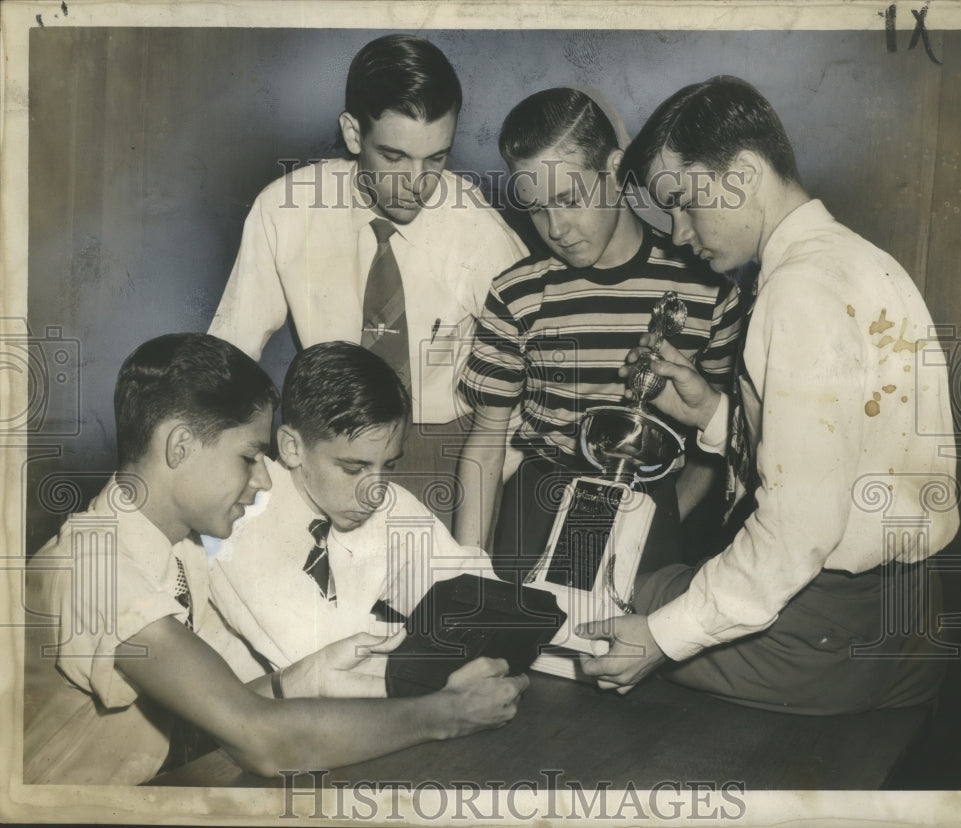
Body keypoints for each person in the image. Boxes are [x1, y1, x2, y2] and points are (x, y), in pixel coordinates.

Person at [576, 76, 959, 714]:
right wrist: (711, 412)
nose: (675, 232)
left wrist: (660, 640)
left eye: (681, 203)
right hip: (915, 618)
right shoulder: (865, 260)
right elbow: (845, 452)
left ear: (744, 174)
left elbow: (797, 531)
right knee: (665, 589)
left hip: (830, 634)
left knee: (607, 608)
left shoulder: (794, 292)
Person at [21, 333, 528, 785]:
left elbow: (209, 716)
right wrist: (445, 715)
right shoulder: (97, 570)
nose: (264, 480)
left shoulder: (178, 546)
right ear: (179, 445)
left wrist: (299, 679)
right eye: (248, 458)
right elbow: (261, 740)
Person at [208, 34, 527, 530]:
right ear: (354, 134)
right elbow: (230, 357)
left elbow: (532, 391)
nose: (418, 183)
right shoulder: (286, 210)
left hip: (438, 445)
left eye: (437, 159)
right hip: (319, 437)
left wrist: (474, 503)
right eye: (395, 157)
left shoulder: (483, 239)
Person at [454, 87, 742, 579]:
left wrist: (663, 514)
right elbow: (487, 441)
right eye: (536, 208)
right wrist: (464, 568)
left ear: (614, 168)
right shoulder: (515, 294)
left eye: (568, 198)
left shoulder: (708, 289)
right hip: (538, 503)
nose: (556, 227)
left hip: (652, 506)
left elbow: (722, 439)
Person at [208, 341, 494, 679]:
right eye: (353, 469)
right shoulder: (238, 528)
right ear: (292, 448)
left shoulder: (384, 504)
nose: (374, 493)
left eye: (387, 467)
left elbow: (477, 596)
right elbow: (324, 664)